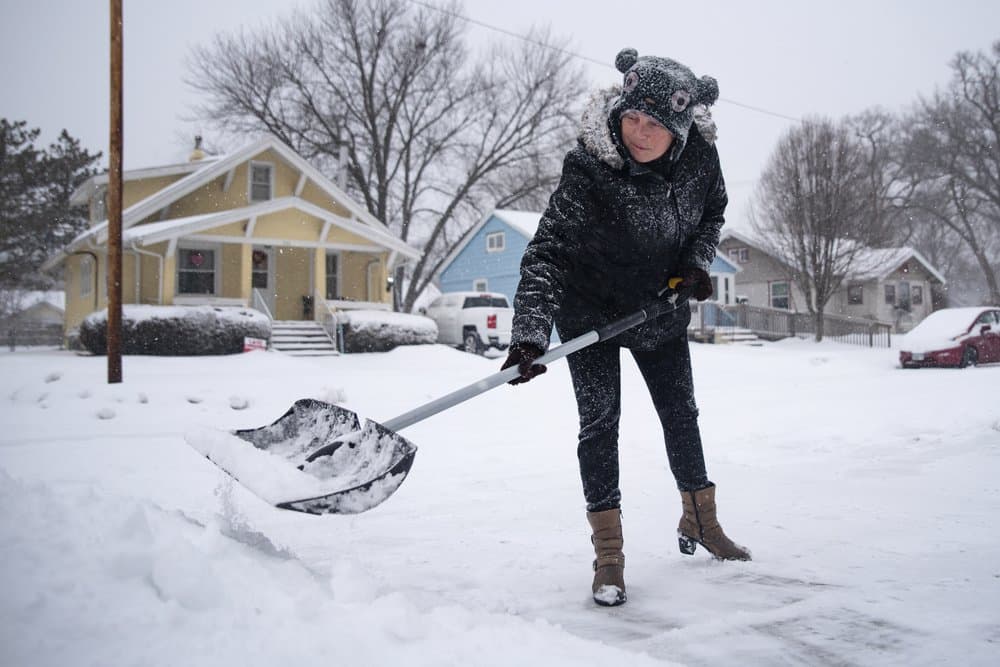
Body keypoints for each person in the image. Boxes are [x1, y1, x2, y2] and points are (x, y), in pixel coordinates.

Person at [501, 48, 751, 608]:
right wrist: (530, 334)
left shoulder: (700, 158)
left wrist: (695, 263)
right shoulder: (589, 168)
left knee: (681, 415)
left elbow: (713, 213)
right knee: (599, 424)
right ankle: (609, 555)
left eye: (654, 124)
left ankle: (701, 520)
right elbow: (547, 252)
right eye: (632, 117)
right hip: (590, 312)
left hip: (658, 309)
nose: (638, 131)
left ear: (679, 130)